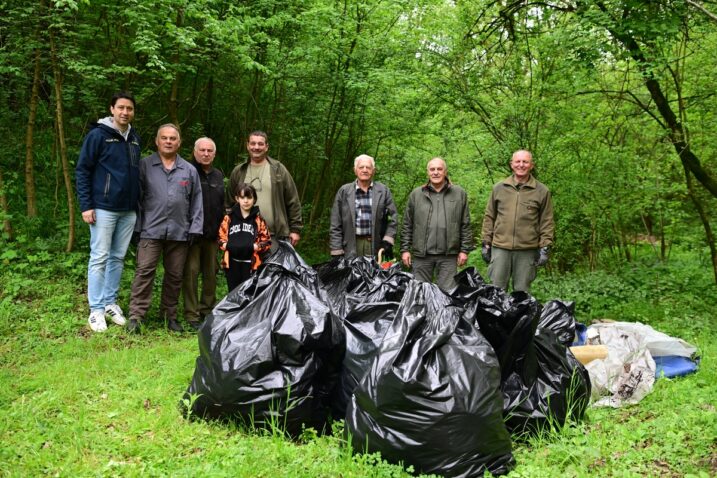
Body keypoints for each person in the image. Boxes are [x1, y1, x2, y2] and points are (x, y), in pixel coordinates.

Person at [126, 124, 204, 334]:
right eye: (164, 138)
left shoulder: (189, 170)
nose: (168, 141)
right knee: (144, 272)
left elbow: (197, 201)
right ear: (157, 141)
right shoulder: (144, 166)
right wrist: (136, 227)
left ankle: (168, 316)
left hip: (180, 232)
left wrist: (195, 228)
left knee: (175, 275)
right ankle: (136, 316)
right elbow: (137, 199)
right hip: (150, 230)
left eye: (172, 138)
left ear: (179, 142)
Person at [75, 92, 141, 332]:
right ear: (112, 109)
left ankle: (110, 303)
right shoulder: (98, 136)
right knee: (99, 257)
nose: (125, 112)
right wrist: (86, 205)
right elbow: (83, 170)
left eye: (129, 109)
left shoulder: (134, 138)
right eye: (121, 108)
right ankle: (96, 309)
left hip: (128, 210)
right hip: (103, 208)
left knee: (117, 258)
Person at [480, 149, 554, 292]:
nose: (521, 165)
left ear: (531, 165)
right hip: (500, 248)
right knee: (497, 291)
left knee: (522, 293)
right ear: (511, 164)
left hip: (527, 250)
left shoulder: (542, 191)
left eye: (525, 162)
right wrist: (486, 242)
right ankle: (497, 316)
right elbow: (489, 216)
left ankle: (520, 315)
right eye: (518, 161)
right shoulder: (499, 188)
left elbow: (547, 221)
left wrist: (545, 246)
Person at [400, 157, 474, 291]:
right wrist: (405, 249)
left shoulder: (459, 193)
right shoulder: (416, 194)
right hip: (422, 255)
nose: (436, 172)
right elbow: (407, 224)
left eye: (439, 169)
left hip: (448, 255)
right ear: (427, 172)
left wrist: (464, 250)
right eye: (432, 169)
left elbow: (465, 223)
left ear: (445, 172)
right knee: (420, 293)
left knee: (447, 295)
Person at [227, 131, 302, 248]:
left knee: (274, 267)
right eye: (253, 143)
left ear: (266, 147)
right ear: (247, 145)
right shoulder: (239, 171)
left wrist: (295, 229)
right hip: (244, 235)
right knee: (246, 267)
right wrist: (228, 228)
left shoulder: (278, 170)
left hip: (275, 236)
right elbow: (229, 203)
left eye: (260, 144)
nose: (256, 147)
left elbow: (293, 200)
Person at [181, 137, 224, 330]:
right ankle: (191, 314)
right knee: (190, 273)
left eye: (209, 151)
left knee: (211, 274)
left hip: (212, 235)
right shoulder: (187, 171)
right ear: (195, 151)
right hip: (191, 235)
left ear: (214, 154)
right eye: (202, 150)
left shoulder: (218, 175)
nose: (206, 154)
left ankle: (207, 310)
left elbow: (223, 204)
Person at [329, 154, 398, 260]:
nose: (365, 170)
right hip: (350, 244)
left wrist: (387, 240)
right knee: (351, 276)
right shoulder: (344, 191)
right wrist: (336, 249)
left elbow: (393, 218)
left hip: (375, 245)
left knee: (374, 276)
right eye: (361, 167)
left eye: (368, 167)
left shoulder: (383, 191)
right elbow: (335, 222)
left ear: (373, 170)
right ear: (355, 170)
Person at [219, 183, 271, 291]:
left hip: (251, 265)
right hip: (232, 264)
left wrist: (255, 247)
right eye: (242, 197)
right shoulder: (228, 218)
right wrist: (227, 246)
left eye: (249, 197)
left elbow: (266, 241)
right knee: (233, 293)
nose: (246, 201)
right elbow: (220, 238)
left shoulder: (258, 220)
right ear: (237, 199)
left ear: (254, 199)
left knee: (249, 294)